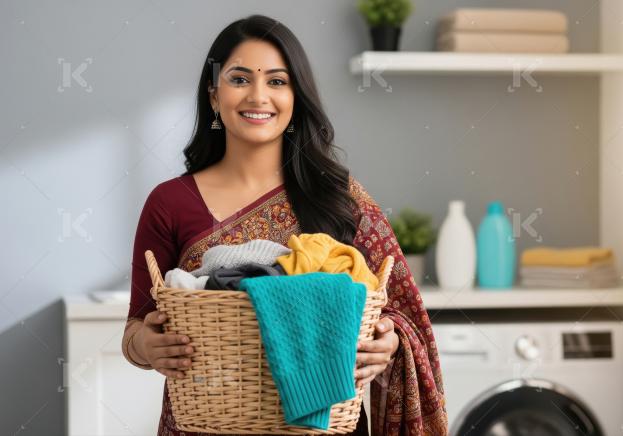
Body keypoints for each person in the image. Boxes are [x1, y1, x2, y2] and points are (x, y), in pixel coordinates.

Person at [120, 14, 448, 436]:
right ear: (214, 95)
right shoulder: (169, 202)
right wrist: (146, 346)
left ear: (296, 97)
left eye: (277, 81)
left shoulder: (339, 197)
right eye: (240, 79)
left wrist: (390, 341)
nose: (259, 96)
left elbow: (401, 310)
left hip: (325, 425)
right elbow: (136, 326)